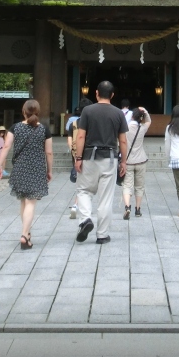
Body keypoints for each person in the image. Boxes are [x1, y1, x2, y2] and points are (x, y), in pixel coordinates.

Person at [73, 81, 128, 244]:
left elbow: (81, 136)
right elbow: (123, 141)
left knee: (84, 190)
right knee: (106, 198)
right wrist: (124, 161)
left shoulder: (88, 111)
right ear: (112, 95)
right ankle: (102, 235)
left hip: (89, 157)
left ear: (96, 93)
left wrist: (78, 157)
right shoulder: (118, 113)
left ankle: (85, 219)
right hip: (110, 158)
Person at [0, 99, 53, 249]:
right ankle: (24, 234)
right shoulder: (44, 130)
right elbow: (49, 152)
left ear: (23, 111)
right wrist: (49, 170)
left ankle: (26, 233)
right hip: (36, 168)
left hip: (20, 168)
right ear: (38, 112)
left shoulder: (15, 128)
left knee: (23, 201)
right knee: (30, 202)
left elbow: (6, 146)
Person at [122, 106, 150, 220]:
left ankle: (127, 207)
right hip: (141, 160)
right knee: (139, 186)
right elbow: (148, 121)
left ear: (132, 116)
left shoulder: (126, 128)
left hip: (128, 161)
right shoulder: (143, 128)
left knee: (127, 185)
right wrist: (145, 111)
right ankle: (137, 209)